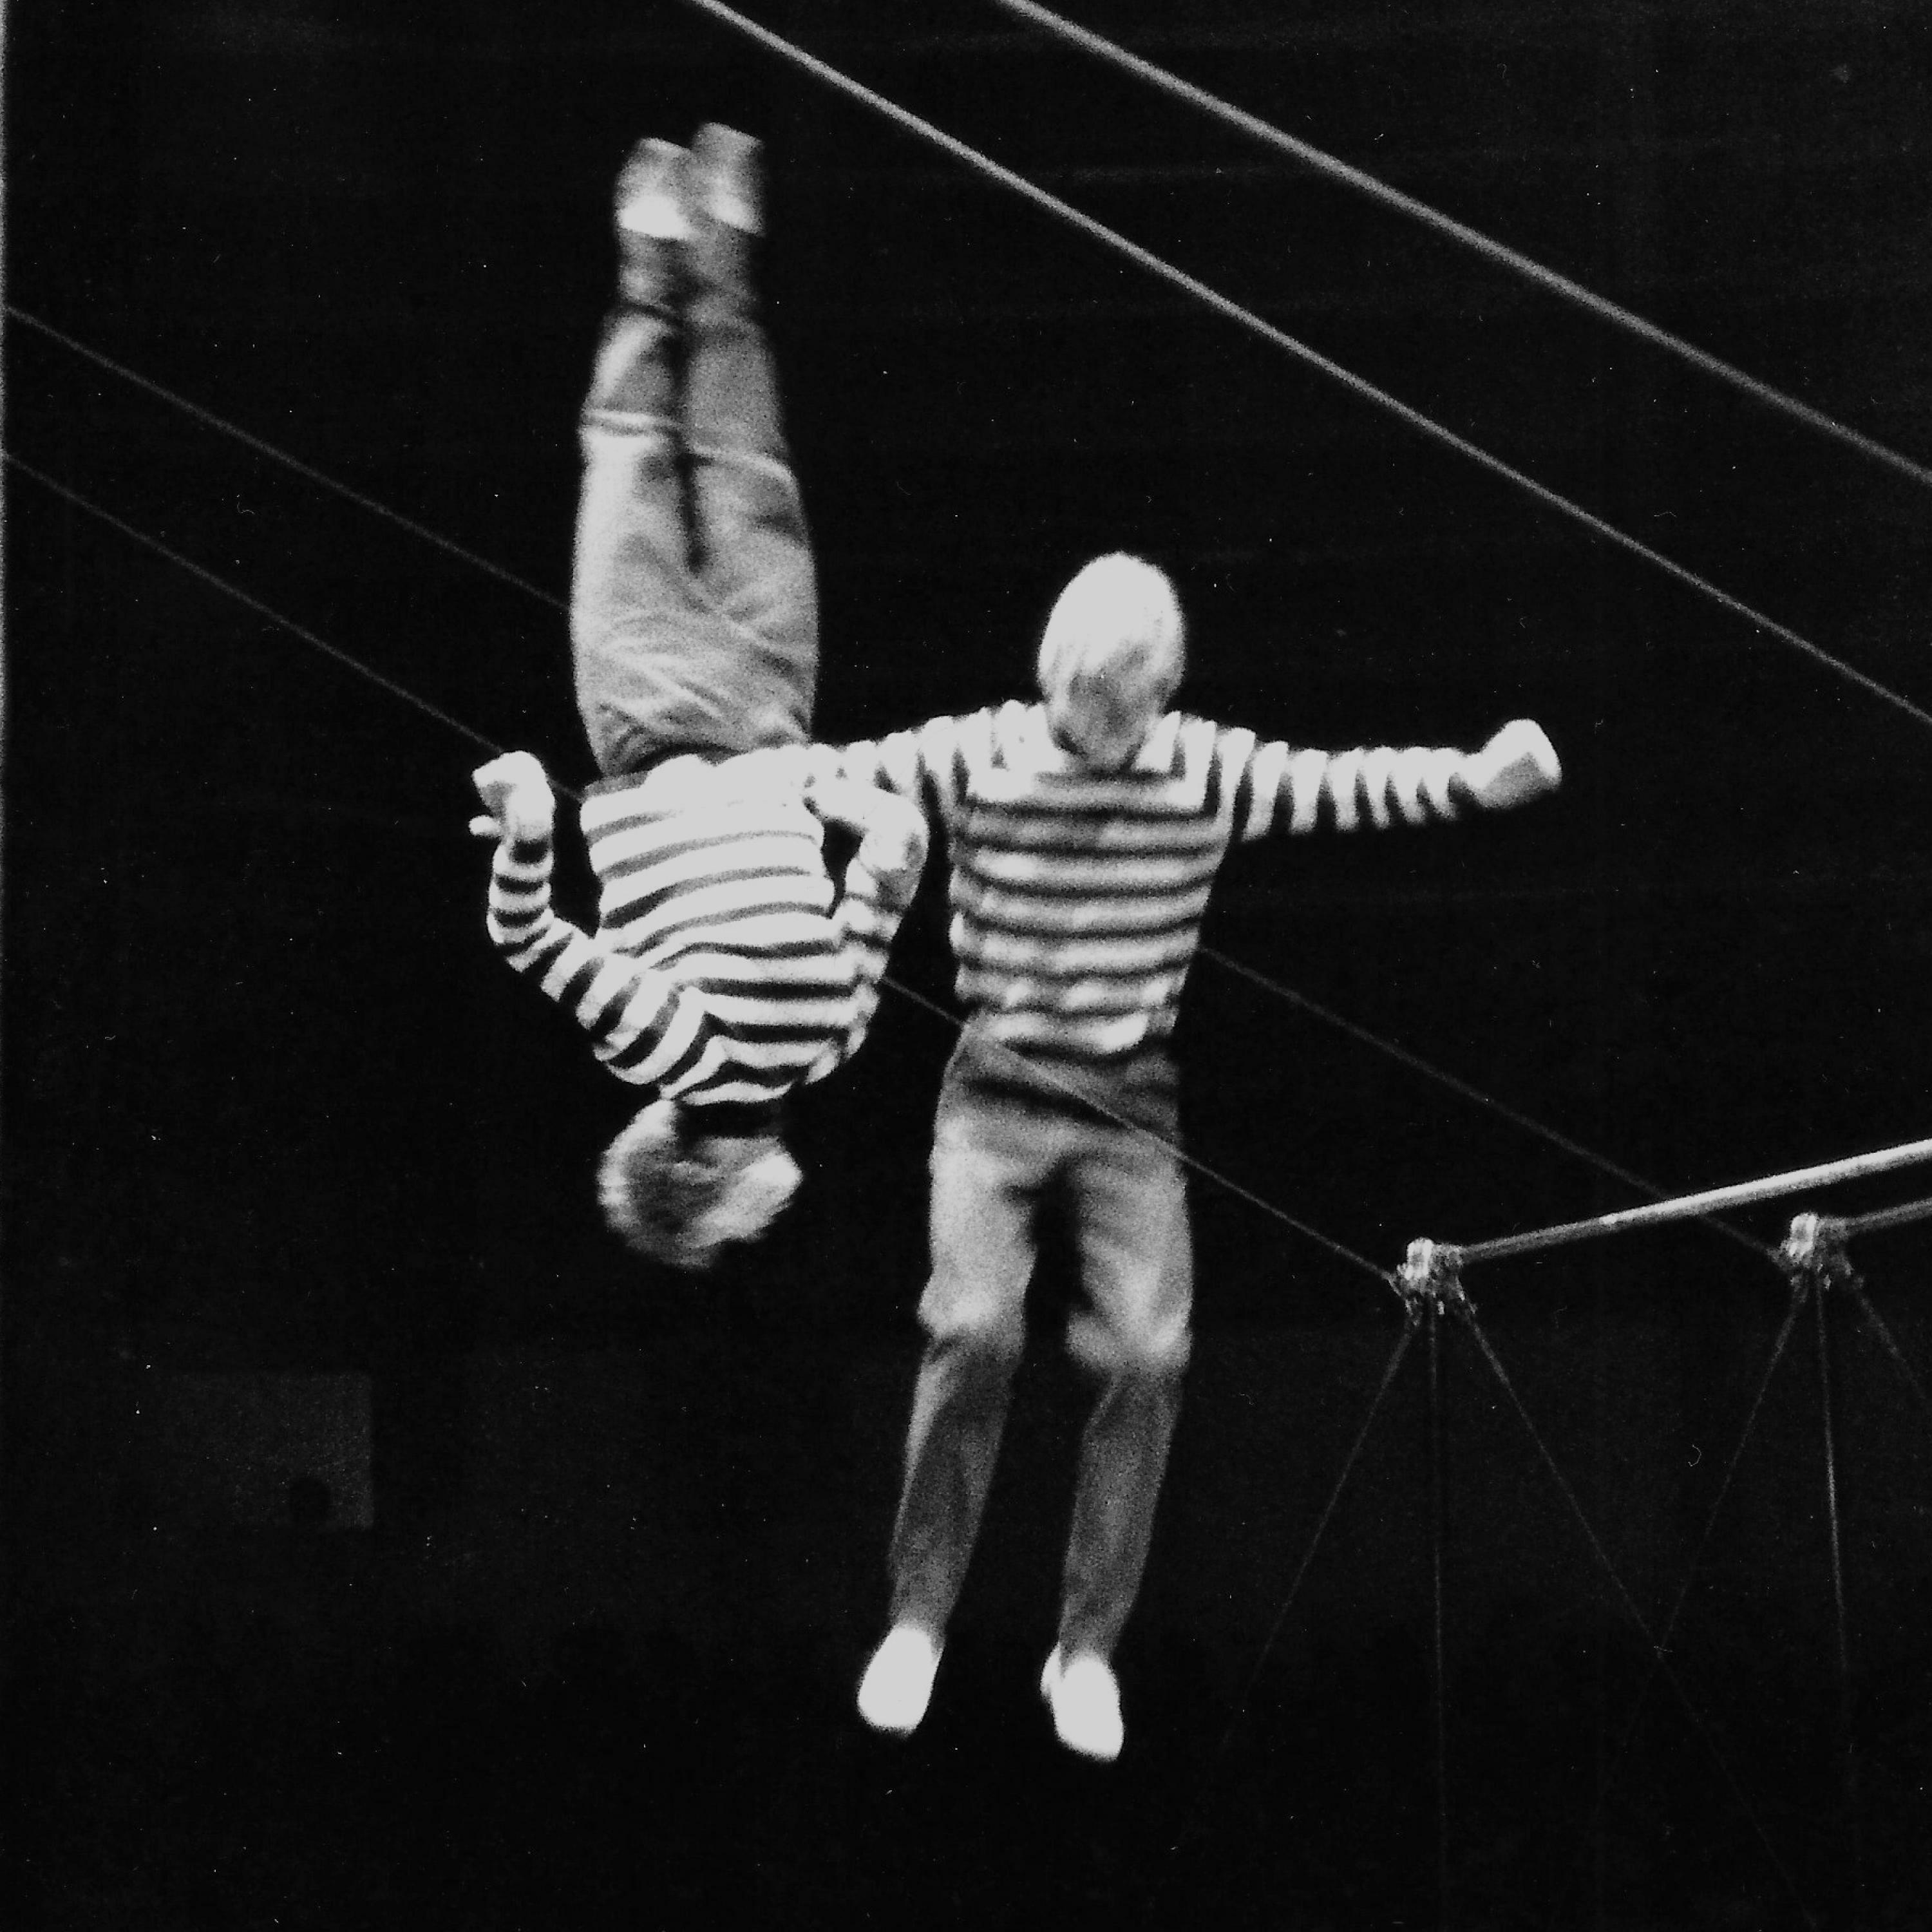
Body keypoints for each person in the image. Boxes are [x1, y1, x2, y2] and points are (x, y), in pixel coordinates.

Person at [842, 553, 1562, 1759]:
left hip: (1130, 1105)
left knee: (1146, 1353)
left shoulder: (1204, 768)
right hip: (994, 1094)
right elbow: (824, 775)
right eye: (1077, 709)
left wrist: (1476, 780)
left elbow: (1344, 784)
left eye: (1119, 716)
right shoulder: (980, 752)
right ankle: (917, 1622)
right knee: (973, 1329)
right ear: (1047, 679)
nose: (1096, 736)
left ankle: (1085, 1651)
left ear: (1163, 695)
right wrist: (688, 793)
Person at [469, 127, 926, 1271]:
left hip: (670, 711)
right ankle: (702, 256)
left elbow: (530, 936)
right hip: (754, 709)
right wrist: (826, 789)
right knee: (719, 466)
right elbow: (900, 852)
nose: (758, 1223)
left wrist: (529, 829)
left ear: (698, 1181)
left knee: (667, 463)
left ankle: (662, 263)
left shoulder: (674, 1055)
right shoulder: (824, 1049)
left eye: (733, 1230)